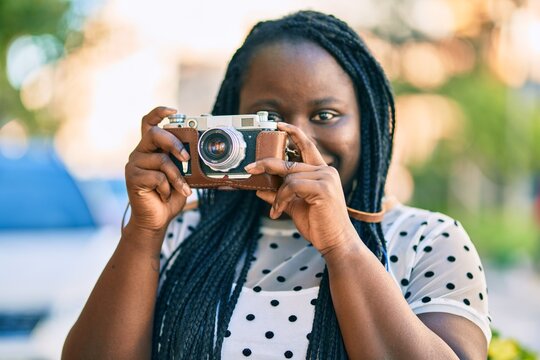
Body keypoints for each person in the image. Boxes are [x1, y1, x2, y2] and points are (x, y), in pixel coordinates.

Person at [62, 10, 491, 359]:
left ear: (368, 127)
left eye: (325, 115)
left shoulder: (429, 240)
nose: (293, 140)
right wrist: (144, 232)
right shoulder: (178, 235)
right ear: (228, 121)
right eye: (268, 119)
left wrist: (340, 244)